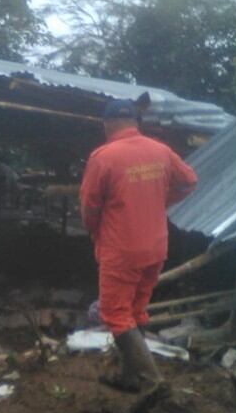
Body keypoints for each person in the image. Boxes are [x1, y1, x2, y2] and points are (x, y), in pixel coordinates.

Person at [79, 98, 197, 396]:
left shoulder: (103, 156)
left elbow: (89, 208)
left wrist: (96, 232)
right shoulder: (160, 151)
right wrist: (161, 201)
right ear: (135, 123)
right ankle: (129, 377)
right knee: (135, 311)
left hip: (122, 249)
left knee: (115, 314)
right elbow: (189, 182)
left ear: (107, 124)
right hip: (155, 248)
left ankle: (152, 381)